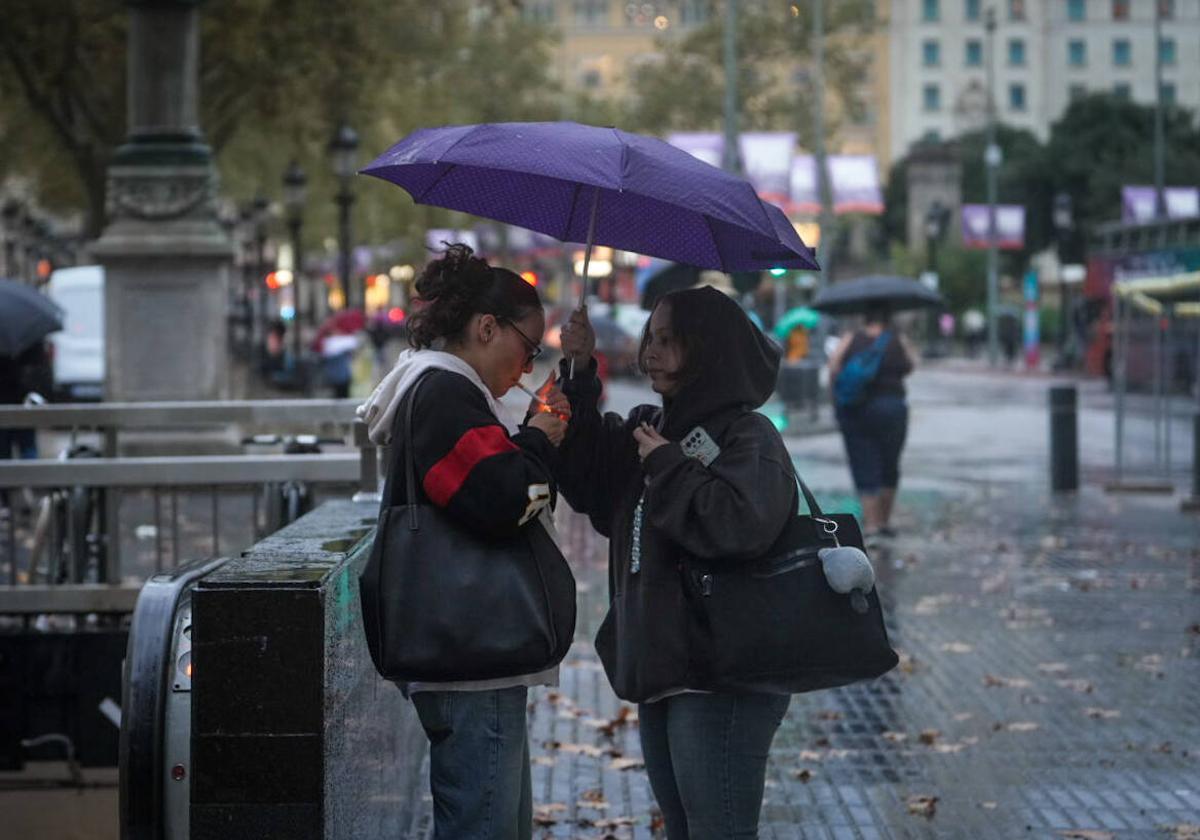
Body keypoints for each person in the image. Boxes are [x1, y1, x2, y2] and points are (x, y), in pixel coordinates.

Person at [556, 286, 795, 840]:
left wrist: (668, 464)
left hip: (722, 675)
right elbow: (590, 479)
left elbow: (738, 524)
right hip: (663, 665)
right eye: (651, 339)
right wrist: (579, 369)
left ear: (707, 350)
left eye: (669, 341)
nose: (650, 353)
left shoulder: (748, 437)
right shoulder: (650, 426)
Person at [356, 244, 569, 840]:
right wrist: (539, 442)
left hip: (459, 647)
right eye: (527, 349)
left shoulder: (429, 389)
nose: (526, 369)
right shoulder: (446, 395)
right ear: (485, 327)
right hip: (474, 650)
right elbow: (501, 500)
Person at [826, 305, 915, 544]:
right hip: (892, 408)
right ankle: (885, 522)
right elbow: (911, 365)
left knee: (863, 463)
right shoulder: (896, 339)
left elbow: (833, 367)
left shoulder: (850, 338)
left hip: (856, 410)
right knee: (889, 464)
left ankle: (872, 525)